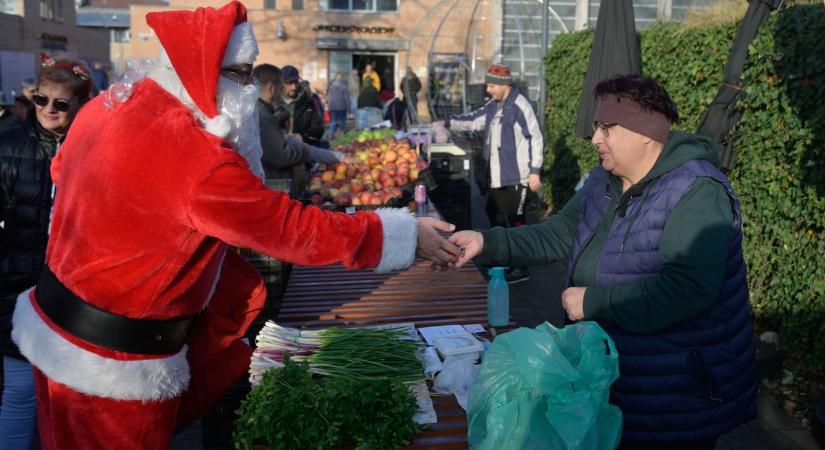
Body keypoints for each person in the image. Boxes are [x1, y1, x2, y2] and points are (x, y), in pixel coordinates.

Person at [10, 3, 461, 449]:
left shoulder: (109, 106)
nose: (250, 90)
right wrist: (401, 234)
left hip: (53, 323)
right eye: (243, 75)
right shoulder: (195, 154)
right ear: (205, 72)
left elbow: (61, 170)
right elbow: (290, 230)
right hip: (112, 362)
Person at [448, 74, 757, 449]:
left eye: (607, 128)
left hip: (674, 392)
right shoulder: (605, 180)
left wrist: (591, 302)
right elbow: (559, 232)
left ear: (646, 132)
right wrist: (486, 241)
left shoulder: (696, 191)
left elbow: (688, 289)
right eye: (597, 127)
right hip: (616, 376)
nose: (595, 139)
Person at [0, 56, 91, 450]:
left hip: (73, 296)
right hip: (15, 288)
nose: (48, 110)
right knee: (19, 394)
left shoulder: (93, 152)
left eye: (61, 103)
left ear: (80, 106)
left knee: (70, 400)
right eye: (41, 99)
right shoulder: (8, 147)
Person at [446, 63, 543, 283]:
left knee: (515, 222)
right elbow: (473, 120)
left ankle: (520, 267)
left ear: (503, 85)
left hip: (517, 177)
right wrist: (446, 123)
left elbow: (534, 138)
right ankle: (502, 259)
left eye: (491, 85)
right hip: (497, 176)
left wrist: (535, 171)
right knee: (495, 216)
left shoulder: (520, 104)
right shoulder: (493, 105)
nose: (488, 90)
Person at [279, 65, 324, 146]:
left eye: (296, 82)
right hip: (278, 150)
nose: (294, 87)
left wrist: (303, 137)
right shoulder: (272, 102)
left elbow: (319, 129)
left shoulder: (308, 102)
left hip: (303, 150)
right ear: (281, 83)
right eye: (289, 83)